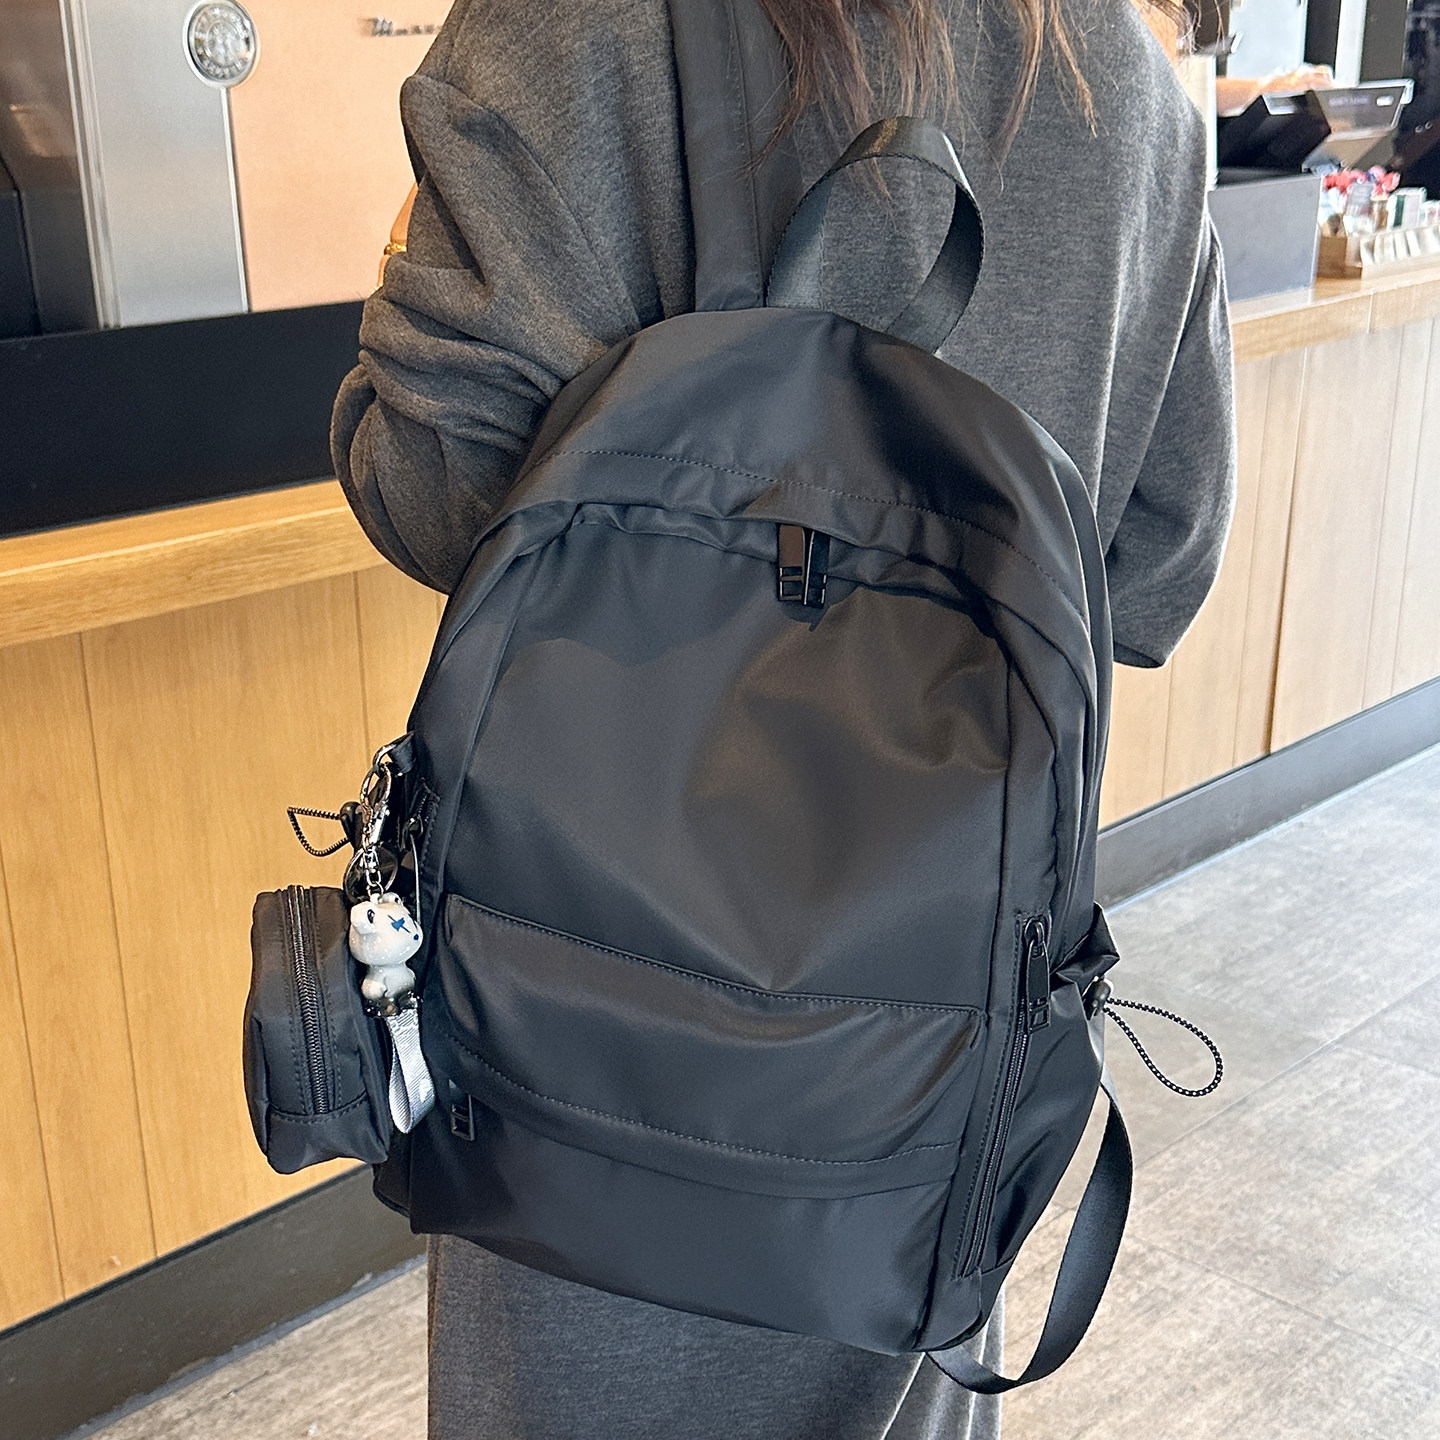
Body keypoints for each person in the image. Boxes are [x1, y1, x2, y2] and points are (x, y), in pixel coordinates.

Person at [332, 0, 1236, 1434]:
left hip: (592, 1012)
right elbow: (1160, 561)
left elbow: (433, 488)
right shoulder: (1122, 78)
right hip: (932, 1044)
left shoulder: (576, 25)